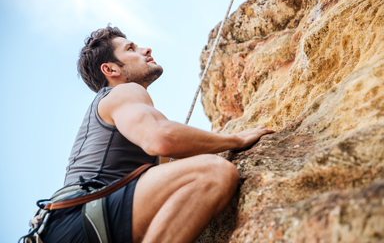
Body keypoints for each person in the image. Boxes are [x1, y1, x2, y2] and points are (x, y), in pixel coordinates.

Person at [40, 25, 275, 243]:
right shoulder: (122, 92)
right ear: (110, 69)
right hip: (80, 217)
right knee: (213, 171)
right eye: (131, 48)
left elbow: (167, 157)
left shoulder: (123, 115)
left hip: (74, 224)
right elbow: (162, 138)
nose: (145, 49)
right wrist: (234, 139)